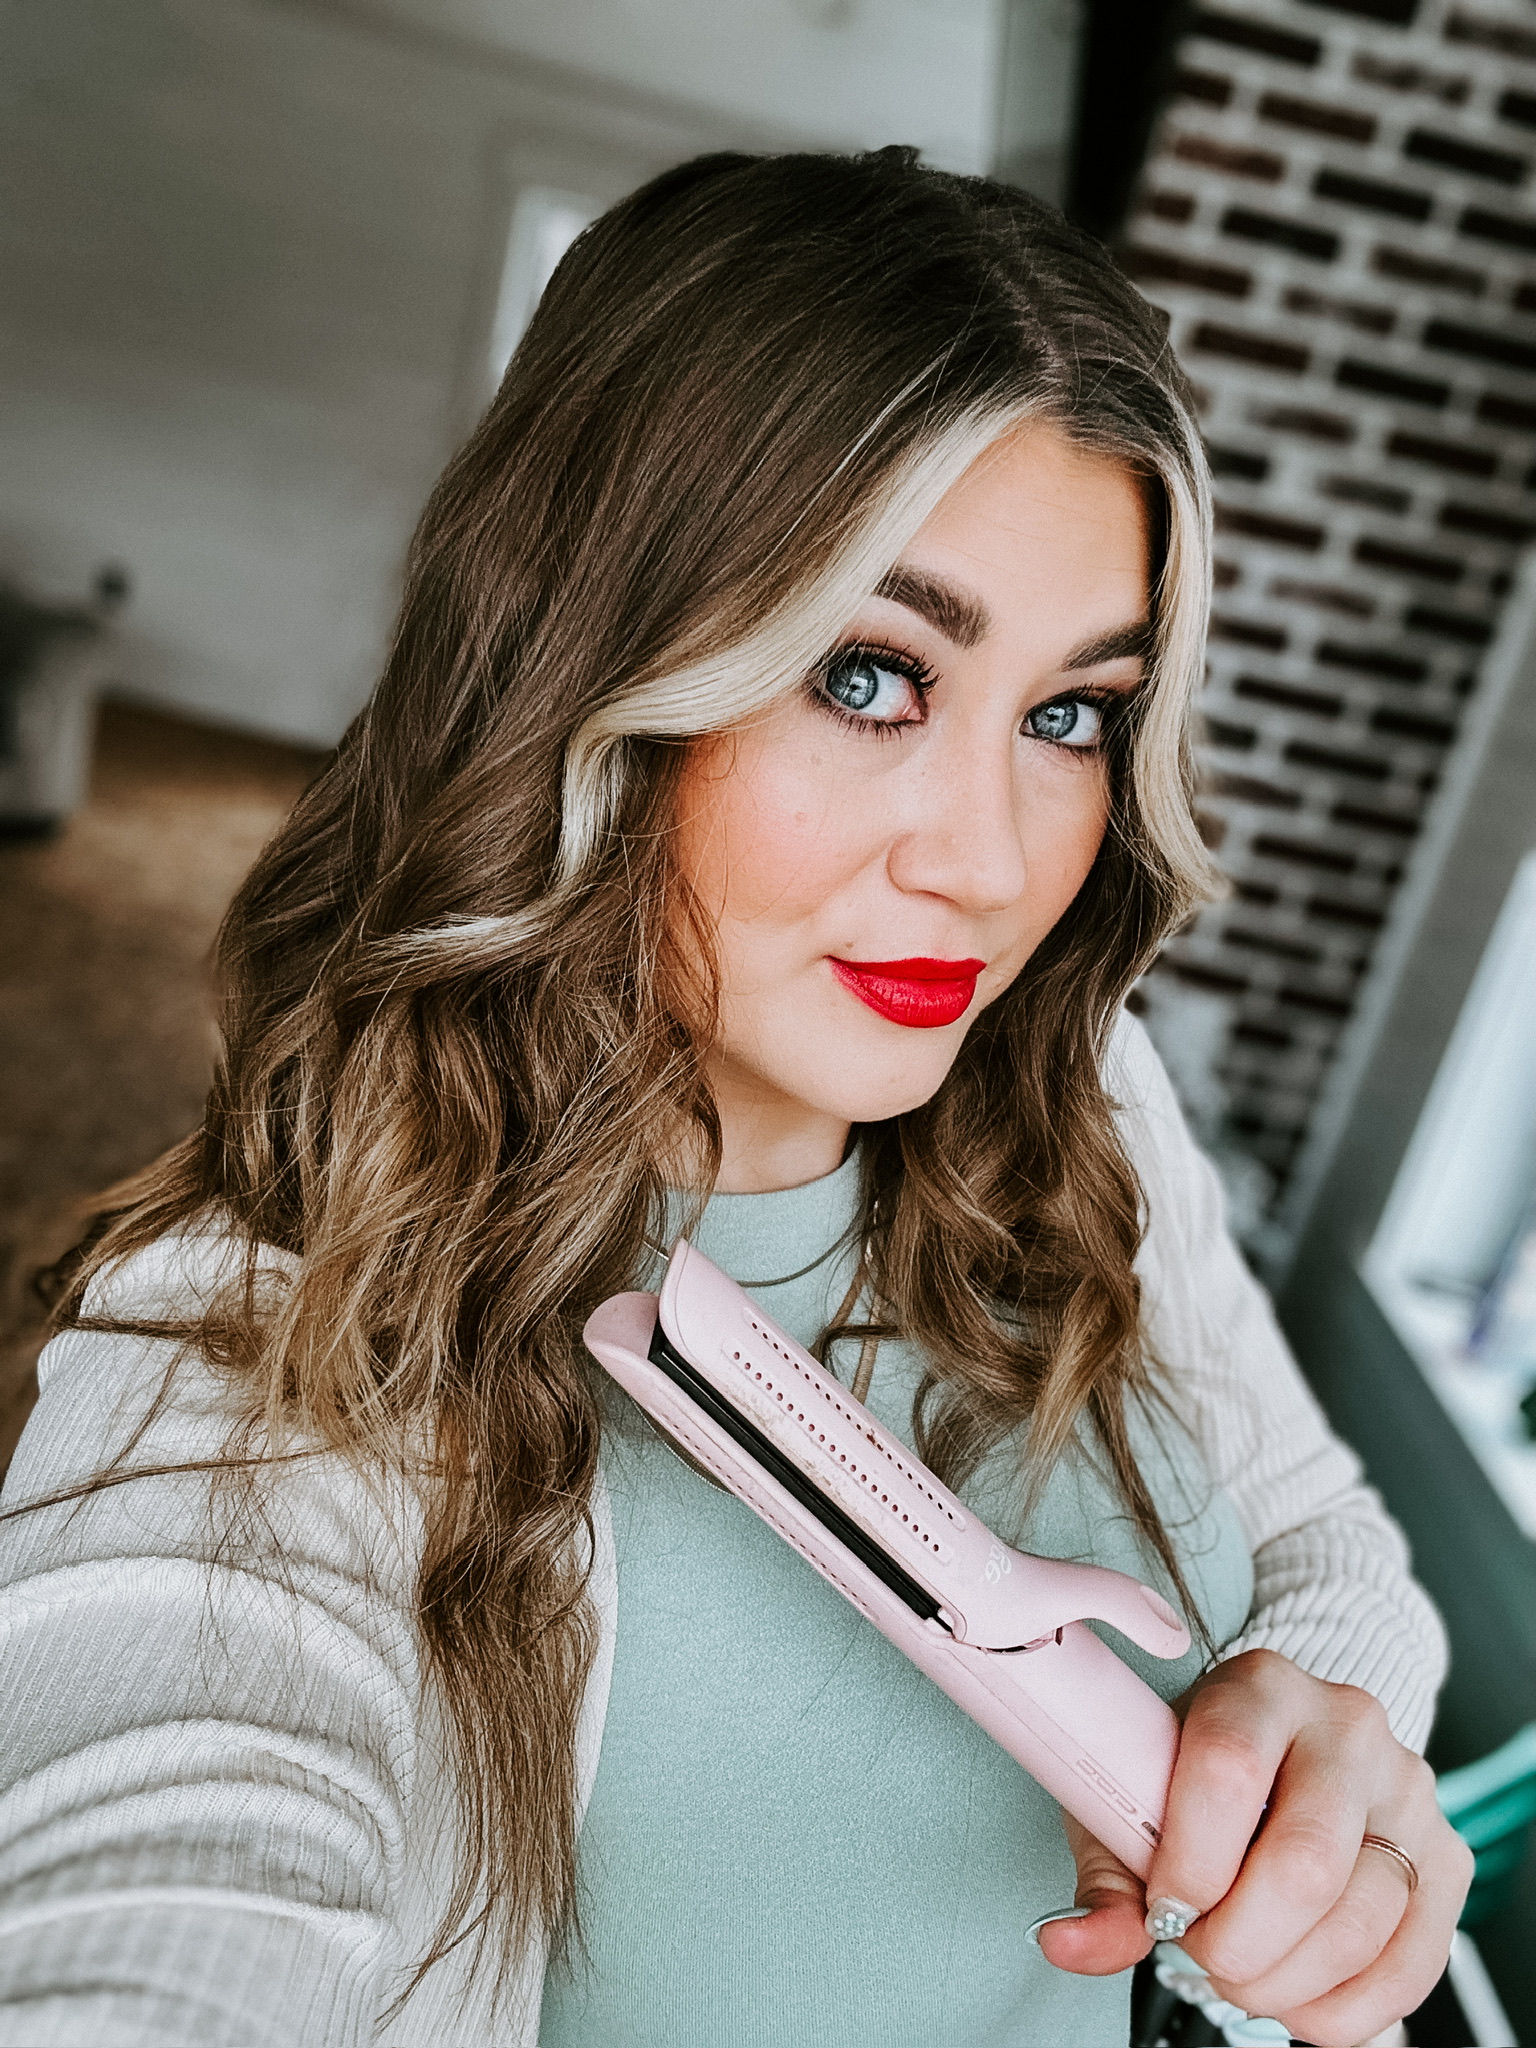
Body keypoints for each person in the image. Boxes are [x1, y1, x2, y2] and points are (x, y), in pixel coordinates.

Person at [0, 148, 1469, 2048]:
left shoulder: (1078, 1094)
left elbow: (1330, 1537)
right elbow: (161, 1910)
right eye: (869, 676)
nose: (990, 864)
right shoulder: (264, 1348)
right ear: (593, 669)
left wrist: (1304, 1746)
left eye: (1070, 716)